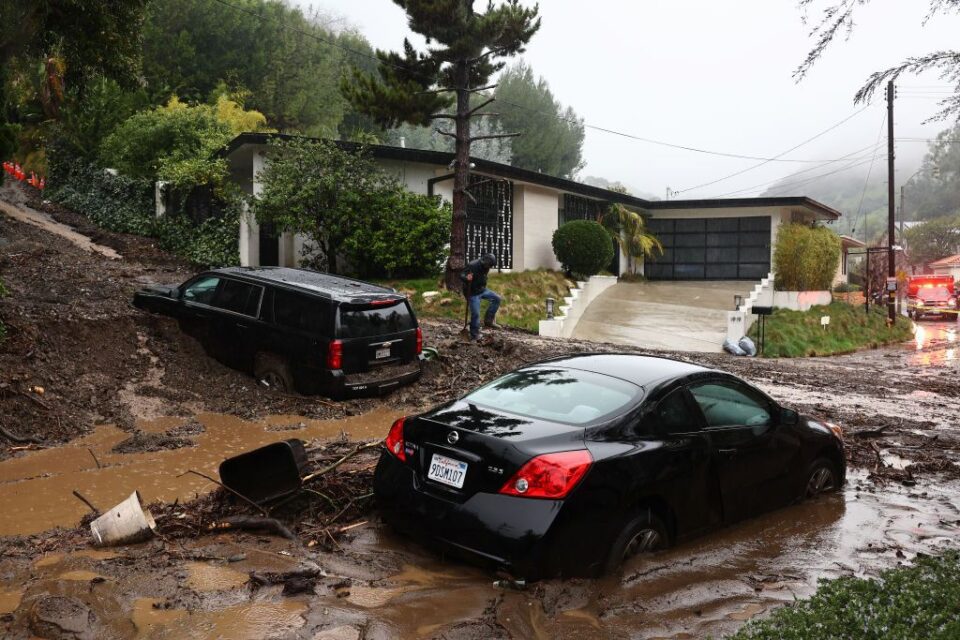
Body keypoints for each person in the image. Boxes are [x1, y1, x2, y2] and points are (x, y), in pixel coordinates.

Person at [461, 252, 502, 340]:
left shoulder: (486, 266)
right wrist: (466, 277)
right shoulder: (472, 265)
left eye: (491, 266)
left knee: (497, 299)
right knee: (476, 314)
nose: (489, 268)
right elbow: (461, 275)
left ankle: (488, 320)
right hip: (472, 293)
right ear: (485, 261)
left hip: (482, 290)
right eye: (489, 265)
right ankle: (474, 335)